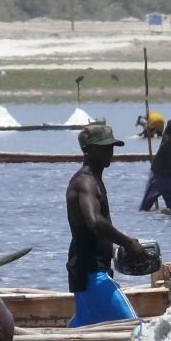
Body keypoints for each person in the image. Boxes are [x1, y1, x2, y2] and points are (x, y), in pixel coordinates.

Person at [66, 123, 150, 327]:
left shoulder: (94, 180)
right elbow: (94, 222)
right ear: (87, 150)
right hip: (92, 274)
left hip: (89, 271)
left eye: (111, 147)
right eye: (103, 147)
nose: (109, 152)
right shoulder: (84, 182)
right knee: (135, 327)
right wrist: (128, 243)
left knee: (83, 327)